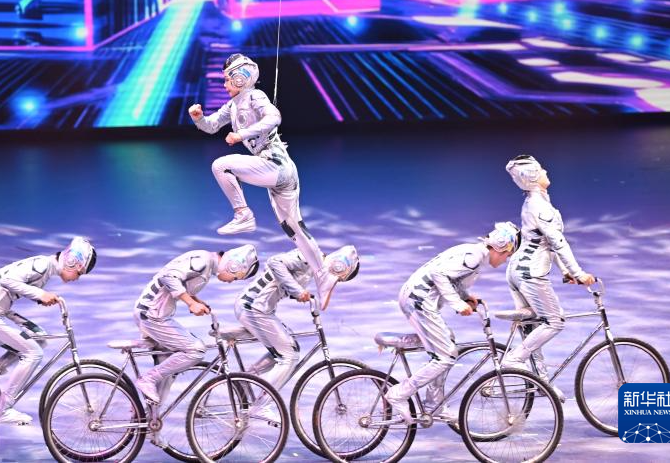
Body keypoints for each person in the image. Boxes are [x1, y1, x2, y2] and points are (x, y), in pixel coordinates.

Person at [188, 54, 337, 308]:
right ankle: (323, 274)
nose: (224, 85)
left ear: (240, 78)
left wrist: (241, 134)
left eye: (227, 80)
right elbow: (211, 126)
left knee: (221, 165)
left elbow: (274, 117)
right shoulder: (233, 105)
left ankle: (243, 214)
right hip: (278, 171)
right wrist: (199, 118)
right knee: (294, 229)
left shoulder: (255, 96)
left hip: (276, 165)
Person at [385, 222, 520, 423]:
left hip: (419, 300)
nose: (506, 260)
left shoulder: (475, 254)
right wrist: (457, 303)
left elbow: (452, 279)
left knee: (449, 342)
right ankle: (399, 393)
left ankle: (434, 404)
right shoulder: (474, 256)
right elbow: (438, 274)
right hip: (418, 301)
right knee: (445, 357)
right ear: (500, 247)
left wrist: (464, 297)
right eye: (507, 255)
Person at [134, 244, 258, 448]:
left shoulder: (206, 265)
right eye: (235, 277)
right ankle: (148, 379)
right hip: (153, 316)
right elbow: (168, 277)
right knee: (196, 349)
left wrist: (197, 300)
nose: (231, 281)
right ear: (234, 265)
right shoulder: (202, 260)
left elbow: (181, 283)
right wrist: (190, 303)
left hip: (156, 314)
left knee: (168, 373)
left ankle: (150, 425)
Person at [0, 236, 97, 425]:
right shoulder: (42, 265)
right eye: (79, 273)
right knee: (34, 353)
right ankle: (4, 409)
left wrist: (39, 297)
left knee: (40, 337)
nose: (77, 278)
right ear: (71, 262)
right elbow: (7, 280)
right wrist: (40, 294)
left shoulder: (45, 268)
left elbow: (16, 288)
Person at [503, 155, 595, 401]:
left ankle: (541, 382)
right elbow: (558, 242)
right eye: (541, 169)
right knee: (555, 321)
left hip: (517, 271)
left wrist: (565, 272)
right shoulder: (540, 206)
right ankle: (514, 359)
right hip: (530, 274)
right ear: (533, 177)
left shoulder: (535, 201)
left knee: (532, 326)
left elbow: (542, 242)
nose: (545, 170)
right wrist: (578, 272)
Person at [234, 245, 358, 418]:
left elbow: (283, 283)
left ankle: (246, 379)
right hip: (253, 307)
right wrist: (298, 291)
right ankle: (261, 404)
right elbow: (275, 262)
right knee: (289, 356)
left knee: (292, 348)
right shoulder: (308, 257)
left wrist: (299, 294)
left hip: (261, 309)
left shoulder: (312, 266)